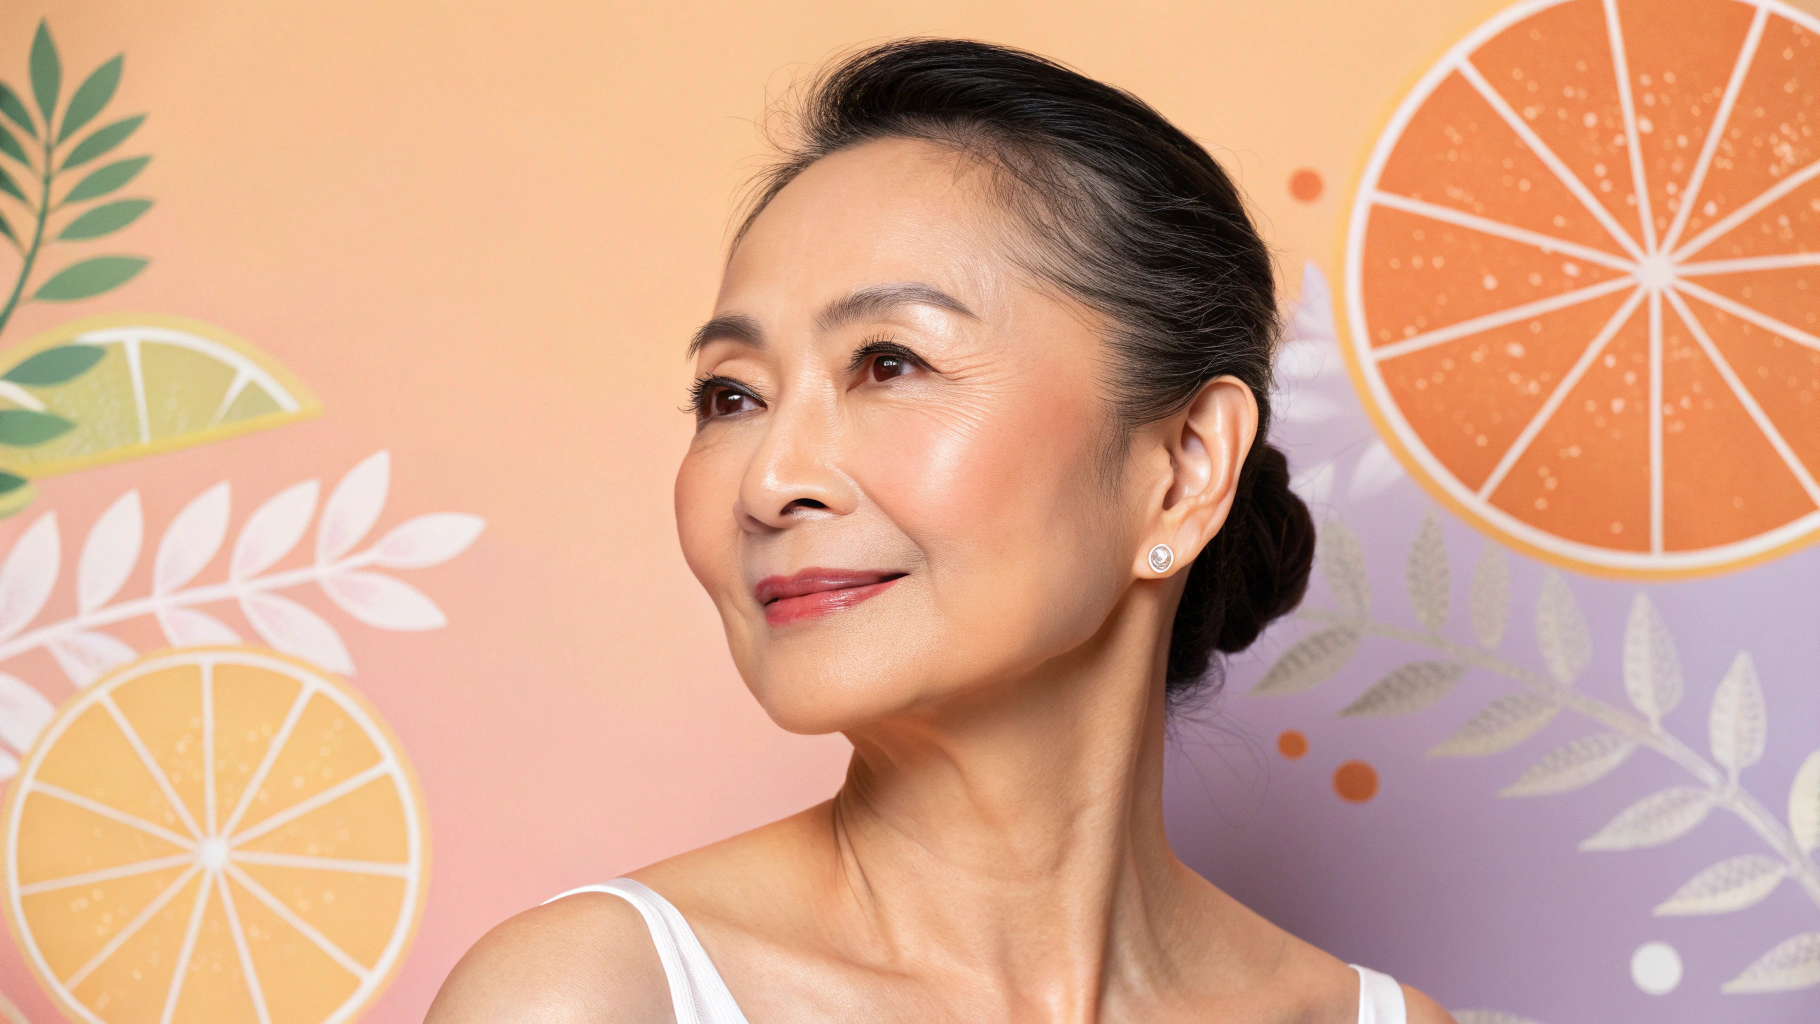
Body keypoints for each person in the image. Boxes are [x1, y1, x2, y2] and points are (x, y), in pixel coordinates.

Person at [428, 38, 1453, 1024]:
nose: (771, 481)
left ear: (1183, 467)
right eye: (730, 395)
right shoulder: (591, 998)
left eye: (889, 363)